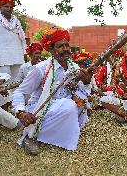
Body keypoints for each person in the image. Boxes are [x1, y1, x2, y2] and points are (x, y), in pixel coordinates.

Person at [12, 27, 92, 155]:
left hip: (64, 109)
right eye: (60, 46)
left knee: (80, 103)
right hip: (41, 109)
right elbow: (19, 92)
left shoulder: (74, 67)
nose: (66, 49)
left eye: (67, 45)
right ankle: (30, 135)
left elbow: (83, 91)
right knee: (69, 106)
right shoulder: (41, 69)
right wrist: (21, 112)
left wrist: (87, 82)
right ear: (51, 49)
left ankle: (59, 132)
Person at [0, 0, 26, 80]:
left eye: (11, 7)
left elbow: (22, 38)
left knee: (17, 82)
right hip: (2, 57)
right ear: (0, 7)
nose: (9, 9)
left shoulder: (16, 20)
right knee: (4, 83)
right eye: (6, 6)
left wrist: (24, 52)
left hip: (17, 56)